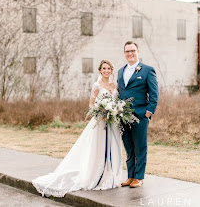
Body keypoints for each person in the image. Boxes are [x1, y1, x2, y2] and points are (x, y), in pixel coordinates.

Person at [32, 60, 122, 197]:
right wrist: (102, 111)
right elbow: (91, 104)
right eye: (104, 68)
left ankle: (112, 176)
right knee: (99, 148)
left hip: (113, 122)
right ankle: (97, 177)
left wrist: (115, 110)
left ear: (111, 70)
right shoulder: (97, 85)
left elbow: (117, 101)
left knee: (113, 147)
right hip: (101, 122)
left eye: (109, 68)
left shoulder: (115, 85)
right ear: (100, 70)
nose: (106, 71)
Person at [117, 41, 159, 188]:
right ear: (124, 53)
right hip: (123, 116)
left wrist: (148, 112)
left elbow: (154, 93)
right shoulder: (120, 71)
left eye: (132, 51)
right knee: (128, 147)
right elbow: (120, 92)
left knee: (140, 147)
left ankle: (139, 177)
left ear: (138, 51)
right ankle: (130, 176)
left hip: (140, 115)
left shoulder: (148, 70)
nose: (130, 53)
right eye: (127, 51)